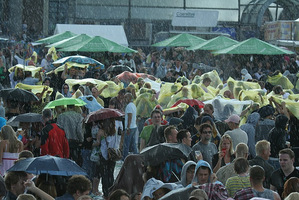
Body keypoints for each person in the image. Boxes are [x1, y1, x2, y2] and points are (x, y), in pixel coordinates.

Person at [123, 93, 138, 160]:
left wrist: (128, 127)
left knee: (126, 143)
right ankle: (136, 155)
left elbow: (130, 116)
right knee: (133, 143)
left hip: (130, 127)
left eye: (125, 98)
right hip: (134, 126)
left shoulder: (129, 106)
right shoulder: (133, 105)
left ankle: (125, 157)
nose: (124, 99)